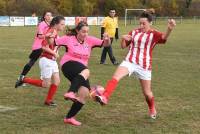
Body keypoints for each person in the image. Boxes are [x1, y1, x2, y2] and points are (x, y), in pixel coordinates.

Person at [95, 11, 176, 119]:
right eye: (140, 23)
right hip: (130, 61)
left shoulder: (154, 34)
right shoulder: (133, 32)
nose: (141, 26)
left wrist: (169, 29)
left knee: (147, 93)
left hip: (144, 66)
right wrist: (123, 39)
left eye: (144, 23)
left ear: (150, 23)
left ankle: (152, 108)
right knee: (116, 77)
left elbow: (164, 37)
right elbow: (123, 46)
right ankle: (105, 96)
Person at [54, 21, 110, 126]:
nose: (86, 34)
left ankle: (69, 117)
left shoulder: (90, 40)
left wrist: (107, 39)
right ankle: (71, 92)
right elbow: (54, 42)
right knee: (86, 71)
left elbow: (105, 44)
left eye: (87, 32)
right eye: (83, 31)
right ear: (77, 31)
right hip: (68, 65)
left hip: (81, 71)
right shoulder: (68, 38)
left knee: (84, 94)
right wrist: (49, 38)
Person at [16, 16, 65, 106]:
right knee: (45, 84)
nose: (63, 26)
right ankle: (23, 79)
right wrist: (54, 53)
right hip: (46, 60)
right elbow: (43, 46)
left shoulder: (55, 33)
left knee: (56, 81)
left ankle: (48, 101)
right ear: (56, 24)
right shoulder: (51, 31)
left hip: (52, 61)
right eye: (62, 24)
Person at [15, 11, 53, 88]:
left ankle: (23, 78)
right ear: (44, 17)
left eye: (50, 15)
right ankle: (21, 78)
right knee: (32, 62)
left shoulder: (49, 25)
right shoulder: (42, 24)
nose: (49, 17)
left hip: (43, 46)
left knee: (45, 60)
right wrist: (48, 35)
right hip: (38, 46)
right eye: (47, 15)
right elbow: (39, 36)